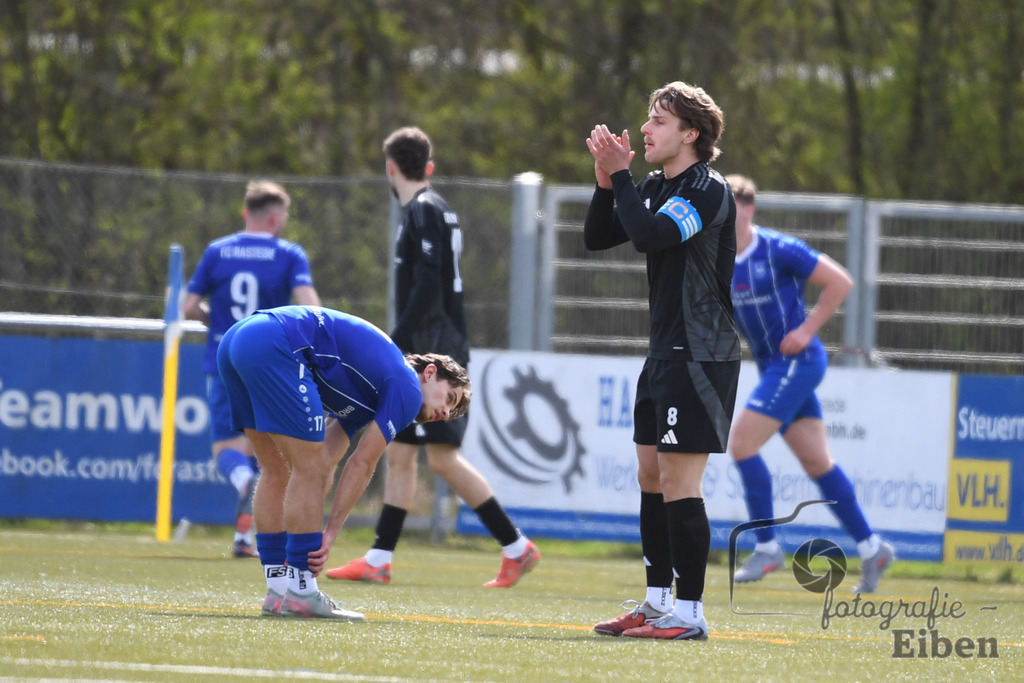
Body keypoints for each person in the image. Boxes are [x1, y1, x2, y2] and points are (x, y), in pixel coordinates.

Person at [325, 126, 539, 588]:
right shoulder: (434, 208)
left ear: (389, 168)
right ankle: (380, 558)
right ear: (429, 166)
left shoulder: (421, 209)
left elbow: (426, 284)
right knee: (400, 452)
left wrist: (394, 341)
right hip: (434, 344)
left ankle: (516, 546)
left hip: (433, 351)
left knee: (441, 458)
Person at [583, 82, 741, 641]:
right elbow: (599, 236)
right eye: (648, 119)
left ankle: (691, 614)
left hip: (702, 353)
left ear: (690, 133)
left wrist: (622, 177)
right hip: (665, 352)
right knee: (651, 477)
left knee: (679, 482)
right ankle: (655, 602)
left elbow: (650, 236)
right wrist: (607, 181)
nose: (646, 129)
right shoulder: (656, 184)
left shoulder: (705, 189)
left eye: (659, 121)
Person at [216, 304, 471, 619]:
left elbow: (329, 458)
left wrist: (314, 522)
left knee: (277, 470)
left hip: (238, 339)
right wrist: (330, 531)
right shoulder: (408, 388)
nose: (446, 413)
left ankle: (278, 590)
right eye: (449, 398)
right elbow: (362, 464)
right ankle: (302, 592)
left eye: (453, 412)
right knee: (305, 469)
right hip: (276, 340)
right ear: (430, 372)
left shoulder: (372, 386)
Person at [725, 174, 895, 593]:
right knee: (818, 463)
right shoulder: (721, 258)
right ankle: (873, 548)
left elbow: (841, 282)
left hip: (798, 362)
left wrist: (807, 330)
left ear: (747, 211)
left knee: (742, 444)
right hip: (774, 370)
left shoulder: (777, 248)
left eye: (727, 208)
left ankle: (766, 546)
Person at [184, 180, 321, 558]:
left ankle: (244, 485)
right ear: (275, 218)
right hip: (270, 366)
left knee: (227, 451)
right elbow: (311, 308)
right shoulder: (290, 254)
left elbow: (189, 306)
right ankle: (246, 538)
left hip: (223, 359)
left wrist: (215, 322)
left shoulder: (217, 251)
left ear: (247, 213)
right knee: (269, 457)